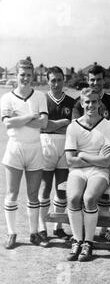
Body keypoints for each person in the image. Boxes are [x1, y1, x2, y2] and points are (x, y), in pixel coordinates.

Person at [64, 88, 110, 262]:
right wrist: (97, 158)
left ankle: (88, 242)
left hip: (100, 172)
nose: (91, 105)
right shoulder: (73, 126)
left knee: (89, 198)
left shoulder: (108, 126)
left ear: (99, 103)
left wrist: (84, 155)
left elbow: (107, 162)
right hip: (78, 170)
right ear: (81, 102)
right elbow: (70, 161)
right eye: (87, 102)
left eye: (94, 101)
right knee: (73, 199)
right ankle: (77, 240)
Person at [1, 59, 48, 249]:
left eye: (29, 75)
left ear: (33, 75)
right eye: (22, 75)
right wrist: (30, 116)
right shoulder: (7, 98)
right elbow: (7, 123)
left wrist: (17, 118)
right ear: (16, 75)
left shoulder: (39, 97)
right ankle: (11, 233)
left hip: (35, 147)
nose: (26, 78)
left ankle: (34, 233)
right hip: (15, 147)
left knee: (33, 194)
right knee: (12, 193)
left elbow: (44, 123)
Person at [72, 64, 110, 241]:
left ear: (103, 80)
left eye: (98, 79)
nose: (95, 83)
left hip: (106, 148)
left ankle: (104, 228)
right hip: (85, 149)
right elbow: (77, 126)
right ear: (88, 80)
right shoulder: (81, 100)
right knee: (82, 190)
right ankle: (83, 227)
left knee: (102, 190)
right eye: (92, 80)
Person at [38, 66, 76, 245]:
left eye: (59, 79)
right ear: (48, 81)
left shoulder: (72, 101)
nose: (56, 83)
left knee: (62, 189)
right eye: (52, 80)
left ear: (64, 80)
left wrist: (52, 125)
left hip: (65, 145)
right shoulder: (42, 99)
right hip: (46, 144)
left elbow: (73, 127)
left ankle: (58, 227)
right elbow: (41, 126)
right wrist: (63, 123)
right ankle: (42, 227)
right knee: (45, 188)